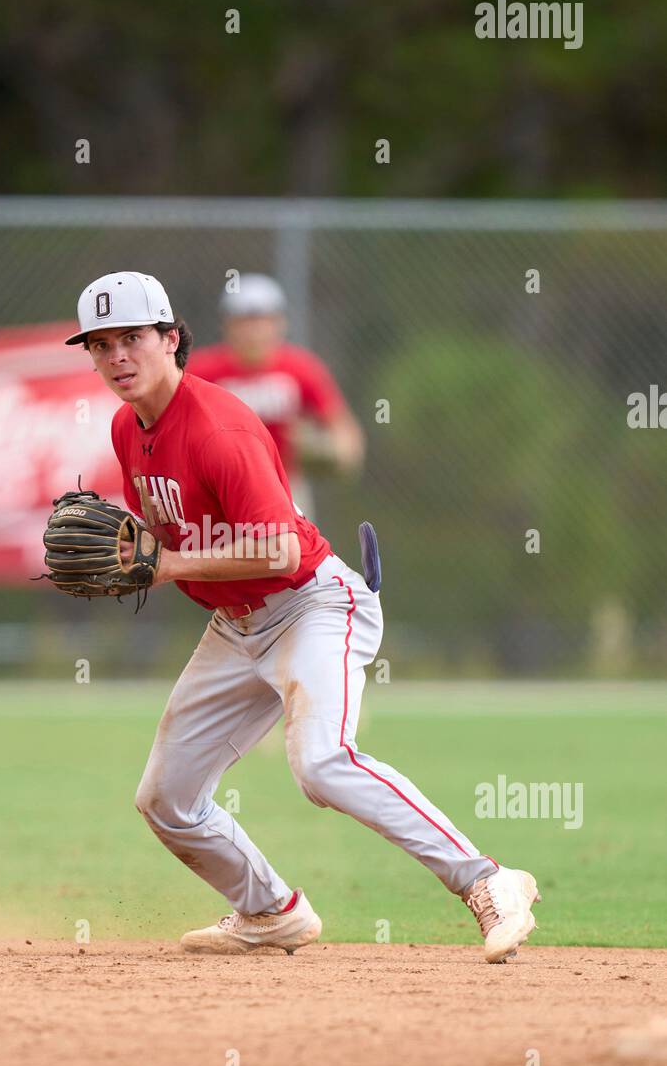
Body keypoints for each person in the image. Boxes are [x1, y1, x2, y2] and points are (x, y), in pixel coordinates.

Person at [65, 271, 541, 961]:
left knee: (321, 764)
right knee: (166, 798)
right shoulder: (125, 426)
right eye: (101, 345)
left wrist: (165, 566)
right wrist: (134, 549)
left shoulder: (219, 427)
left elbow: (278, 547)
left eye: (132, 338)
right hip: (236, 626)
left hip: (312, 604)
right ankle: (269, 911)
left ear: (171, 339)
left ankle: (490, 882)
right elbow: (178, 532)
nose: (117, 358)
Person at [189, 273, 364, 515]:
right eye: (244, 321)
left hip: (286, 487)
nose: (254, 331)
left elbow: (347, 439)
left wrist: (324, 450)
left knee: (294, 550)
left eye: (262, 320)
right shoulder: (200, 372)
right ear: (226, 325)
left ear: (280, 323)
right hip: (215, 487)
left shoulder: (301, 369)